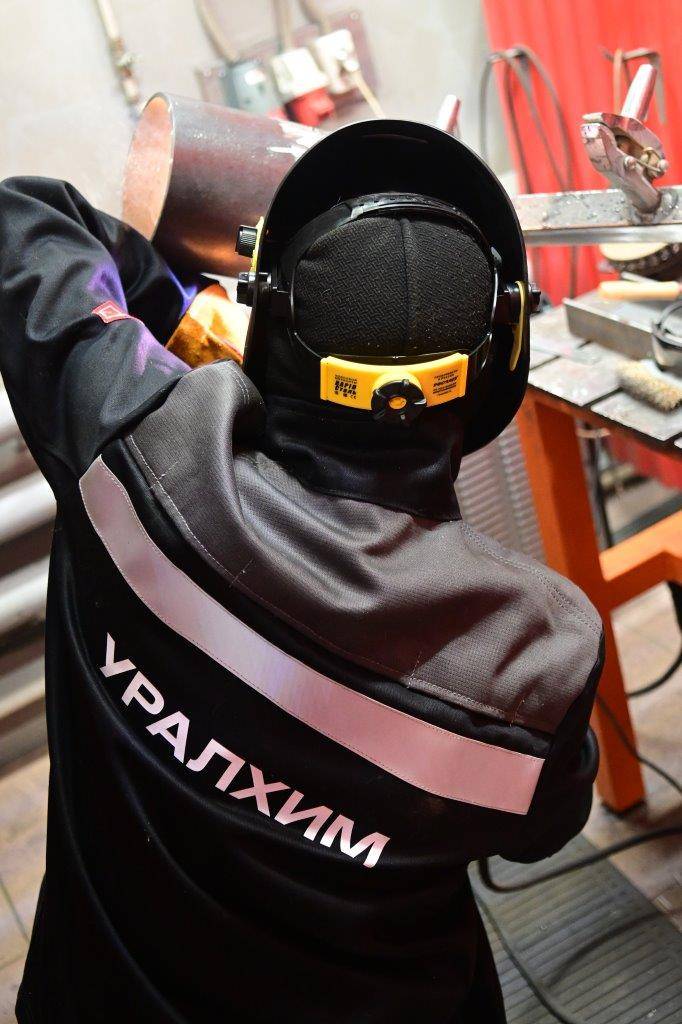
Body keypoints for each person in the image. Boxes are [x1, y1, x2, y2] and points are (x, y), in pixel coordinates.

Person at [0, 119, 602, 1024]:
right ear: (501, 360)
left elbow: (25, 218)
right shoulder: (537, 663)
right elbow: (542, 830)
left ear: (268, 332)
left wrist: (181, 322)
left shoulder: (130, 443)